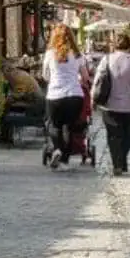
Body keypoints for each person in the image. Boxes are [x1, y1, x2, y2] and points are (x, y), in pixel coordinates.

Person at [91, 33, 130, 176]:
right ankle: (121, 161)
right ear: (129, 45)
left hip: (109, 105)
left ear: (115, 45)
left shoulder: (106, 60)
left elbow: (97, 82)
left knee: (113, 135)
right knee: (127, 136)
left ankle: (117, 164)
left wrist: (92, 100)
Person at [40, 25, 90, 170]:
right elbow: (85, 76)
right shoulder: (77, 55)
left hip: (55, 95)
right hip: (75, 96)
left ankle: (56, 149)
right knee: (69, 127)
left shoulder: (50, 54)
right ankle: (64, 161)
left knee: (54, 125)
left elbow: (45, 76)